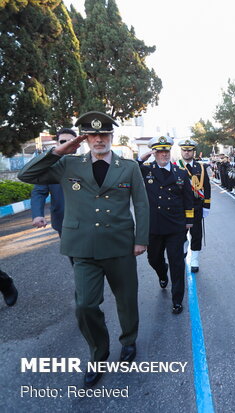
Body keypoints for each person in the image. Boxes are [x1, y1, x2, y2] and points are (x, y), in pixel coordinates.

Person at [18, 111, 149, 388]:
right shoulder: (68, 164)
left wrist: (141, 239)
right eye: (93, 135)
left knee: (126, 299)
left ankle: (128, 341)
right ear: (86, 138)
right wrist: (57, 151)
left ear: (112, 137)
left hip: (120, 245)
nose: (99, 139)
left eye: (104, 134)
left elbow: (141, 205)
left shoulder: (128, 167)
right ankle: (99, 353)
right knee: (85, 306)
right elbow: (27, 175)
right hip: (83, 248)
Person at [138, 137, 194, 315]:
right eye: (159, 151)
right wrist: (141, 159)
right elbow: (128, 170)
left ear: (170, 152)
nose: (163, 154)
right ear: (154, 153)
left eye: (166, 151)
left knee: (177, 264)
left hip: (175, 226)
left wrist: (189, 220)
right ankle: (162, 273)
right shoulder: (146, 171)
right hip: (154, 226)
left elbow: (188, 198)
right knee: (154, 259)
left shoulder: (180, 173)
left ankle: (177, 300)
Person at [31, 128, 77, 265]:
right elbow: (39, 191)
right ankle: (83, 286)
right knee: (75, 258)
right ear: (57, 143)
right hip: (63, 221)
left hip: (89, 221)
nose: (67, 144)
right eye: (63, 141)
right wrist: (37, 214)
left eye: (71, 141)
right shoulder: (50, 167)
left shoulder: (88, 163)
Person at [176, 138, 211, 273]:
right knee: (180, 233)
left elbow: (207, 187)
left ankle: (195, 259)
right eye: (184, 150)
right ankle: (184, 249)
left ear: (193, 152)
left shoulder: (200, 167)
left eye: (189, 150)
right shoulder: (175, 165)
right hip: (180, 207)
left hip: (196, 206)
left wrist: (206, 206)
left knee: (196, 233)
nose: (186, 153)